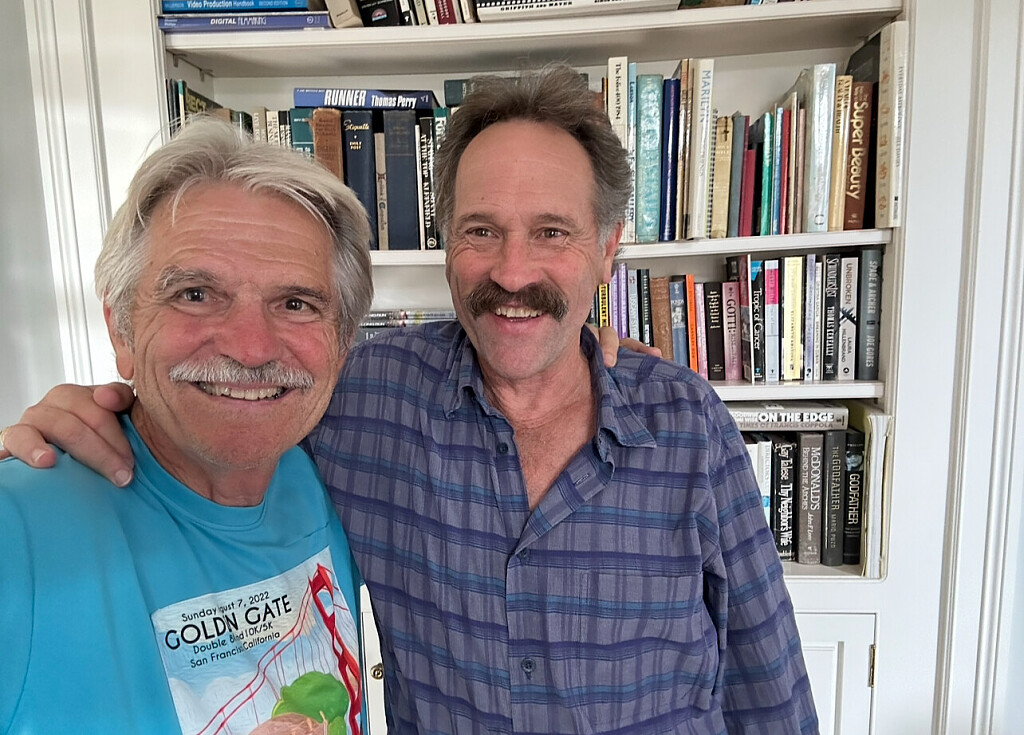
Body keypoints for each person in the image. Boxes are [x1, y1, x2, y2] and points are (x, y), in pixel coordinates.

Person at [2, 65, 818, 734]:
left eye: (553, 233)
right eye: (480, 230)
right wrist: (87, 408)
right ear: (445, 242)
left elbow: (768, 684)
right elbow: (225, 403)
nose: (513, 272)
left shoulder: (685, 421)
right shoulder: (358, 396)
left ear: (608, 250)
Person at [0, 119, 372, 734]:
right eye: (196, 294)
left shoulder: (323, 477)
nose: (251, 348)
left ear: (343, 343)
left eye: (295, 304)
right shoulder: (16, 533)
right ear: (121, 328)